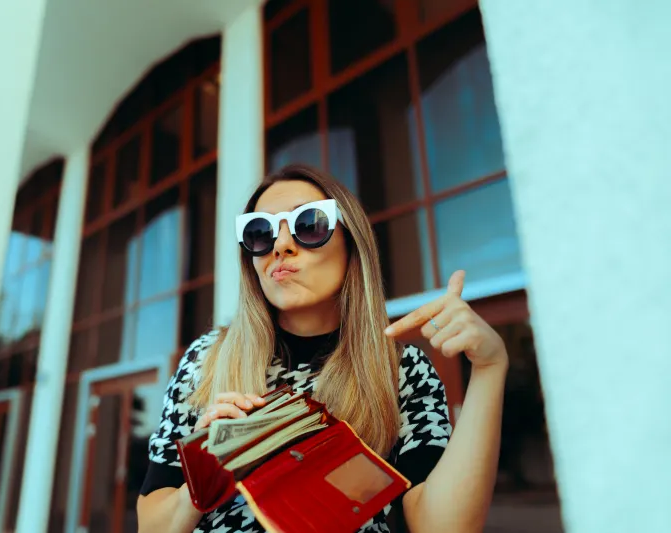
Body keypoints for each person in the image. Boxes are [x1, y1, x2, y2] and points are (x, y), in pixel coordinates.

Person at [137, 164, 508, 533]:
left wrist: (489, 369)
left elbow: (443, 527)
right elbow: (152, 526)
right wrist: (206, 476)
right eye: (260, 233)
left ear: (351, 243)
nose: (280, 246)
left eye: (308, 224)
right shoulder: (207, 359)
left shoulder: (402, 369)